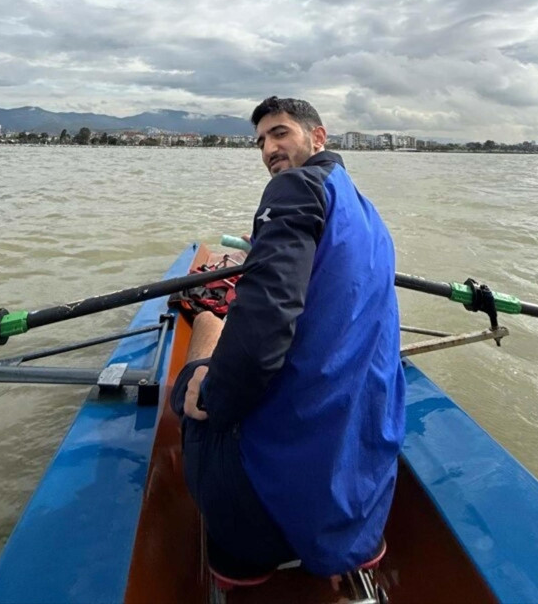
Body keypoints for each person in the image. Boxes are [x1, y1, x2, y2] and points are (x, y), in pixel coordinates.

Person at [170, 96, 406, 584]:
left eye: (280, 133)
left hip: (263, 516)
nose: (269, 149)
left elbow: (264, 331)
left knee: (194, 375)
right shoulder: (367, 213)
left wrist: (211, 393)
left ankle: (240, 552)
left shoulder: (294, 189)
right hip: (364, 501)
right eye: (261, 141)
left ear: (318, 137)